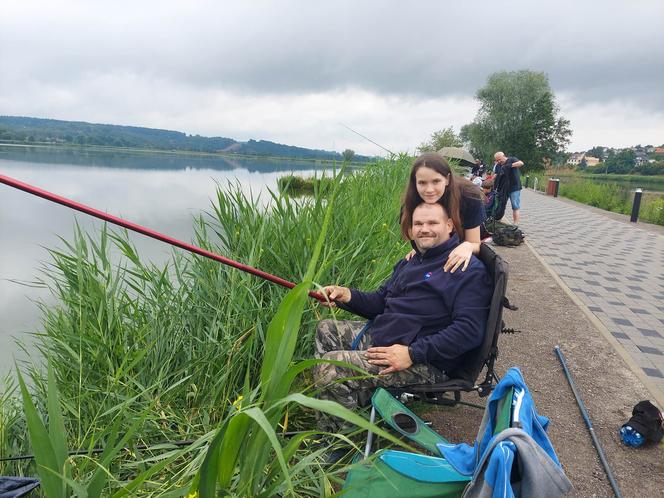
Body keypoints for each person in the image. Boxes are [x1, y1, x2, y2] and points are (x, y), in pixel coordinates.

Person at [313, 202, 493, 428]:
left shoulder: (468, 269)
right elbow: (381, 301)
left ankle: (339, 443)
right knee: (326, 329)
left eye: (432, 223)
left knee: (331, 367)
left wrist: (412, 353)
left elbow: (469, 331)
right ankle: (346, 403)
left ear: (449, 226)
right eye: (418, 223)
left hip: (426, 361)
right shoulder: (414, 259)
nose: (424, 229)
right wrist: (347, 295)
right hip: (390, 338)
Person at [401, 152, 485, 273]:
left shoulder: (470, 197)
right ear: (415, 183)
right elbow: (416, 237)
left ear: (447, 179)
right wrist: (420, 249)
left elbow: (475, 243)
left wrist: (468, 246)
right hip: (432, 257)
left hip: (462, 258)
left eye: (436, 181)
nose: (429, 190)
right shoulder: (411, 202)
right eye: (422, 183)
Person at [494, 152, 524, 225]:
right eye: (497, 160)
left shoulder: (512, 159)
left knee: (515, 205)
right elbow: (496, 175)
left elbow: (521, 163)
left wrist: (510, 165)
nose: (498, 161)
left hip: (514, 187)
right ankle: (499, 219)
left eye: (499, 159)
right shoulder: (498, 165)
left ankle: (515, 224)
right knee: (501, 204)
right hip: (503, 188)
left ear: (504, 156)